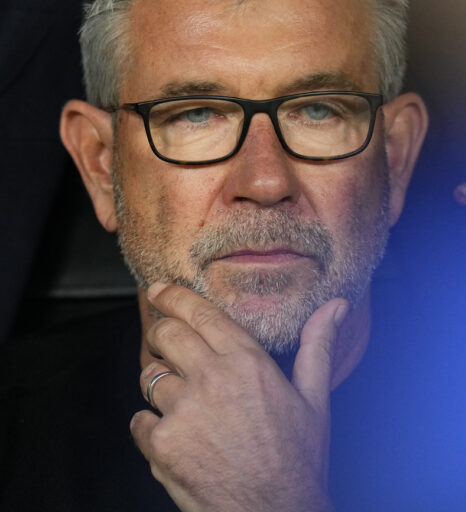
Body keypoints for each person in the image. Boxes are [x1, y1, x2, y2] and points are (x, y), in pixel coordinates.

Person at [0, 0, 428, 510]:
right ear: (100, 165)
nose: (266, 181)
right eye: (196, 115)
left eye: (319, 109)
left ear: (395, 159)